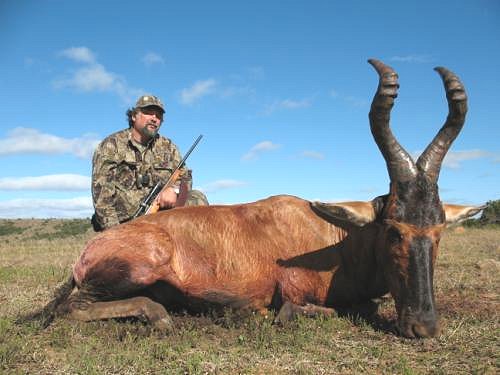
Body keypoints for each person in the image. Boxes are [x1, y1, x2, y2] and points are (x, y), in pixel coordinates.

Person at [91, 94, 208, 231]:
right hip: (124, 222)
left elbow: (185, 177)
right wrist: (116, 233)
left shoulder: (168, 146)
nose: (154, 119)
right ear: (134, 116)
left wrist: (173, 191)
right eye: (148, 113)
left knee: (196, 197)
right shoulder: (111, 146)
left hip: (160, 214)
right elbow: (102, 197)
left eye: (158, 116)